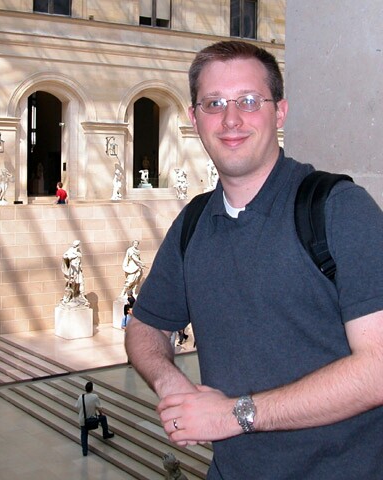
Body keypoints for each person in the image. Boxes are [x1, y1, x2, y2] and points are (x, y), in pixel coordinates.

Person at [125, 40, 383, 479]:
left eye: (248, 100)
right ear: (193, 118)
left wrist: (233, 415)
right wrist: (175, 387)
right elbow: (145, 328)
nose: (230, 119)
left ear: (279, 112)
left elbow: (378, 367)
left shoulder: (339, 209)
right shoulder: (193, 224)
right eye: (213, 103)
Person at [74, 381, 114, 456]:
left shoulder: (81, 397)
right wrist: (101, 414)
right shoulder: (94, 397)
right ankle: (105, 434)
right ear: (92, 389)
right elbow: (99, 408)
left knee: (84, 434)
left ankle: (84, 451)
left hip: (83, 420)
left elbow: (77, 406)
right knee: (103, 418)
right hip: (92, 420)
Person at [60, 240, 89, 307]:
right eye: (77, 245)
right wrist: (70, 257)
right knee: (72, 284)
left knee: (81, 283)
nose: (77, 246)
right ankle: (69, 297)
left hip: (78, 270)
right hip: (72, 270)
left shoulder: (78, 251)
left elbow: (79, 260)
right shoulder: (70, 251)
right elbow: (65, 257)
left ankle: (80, 296)